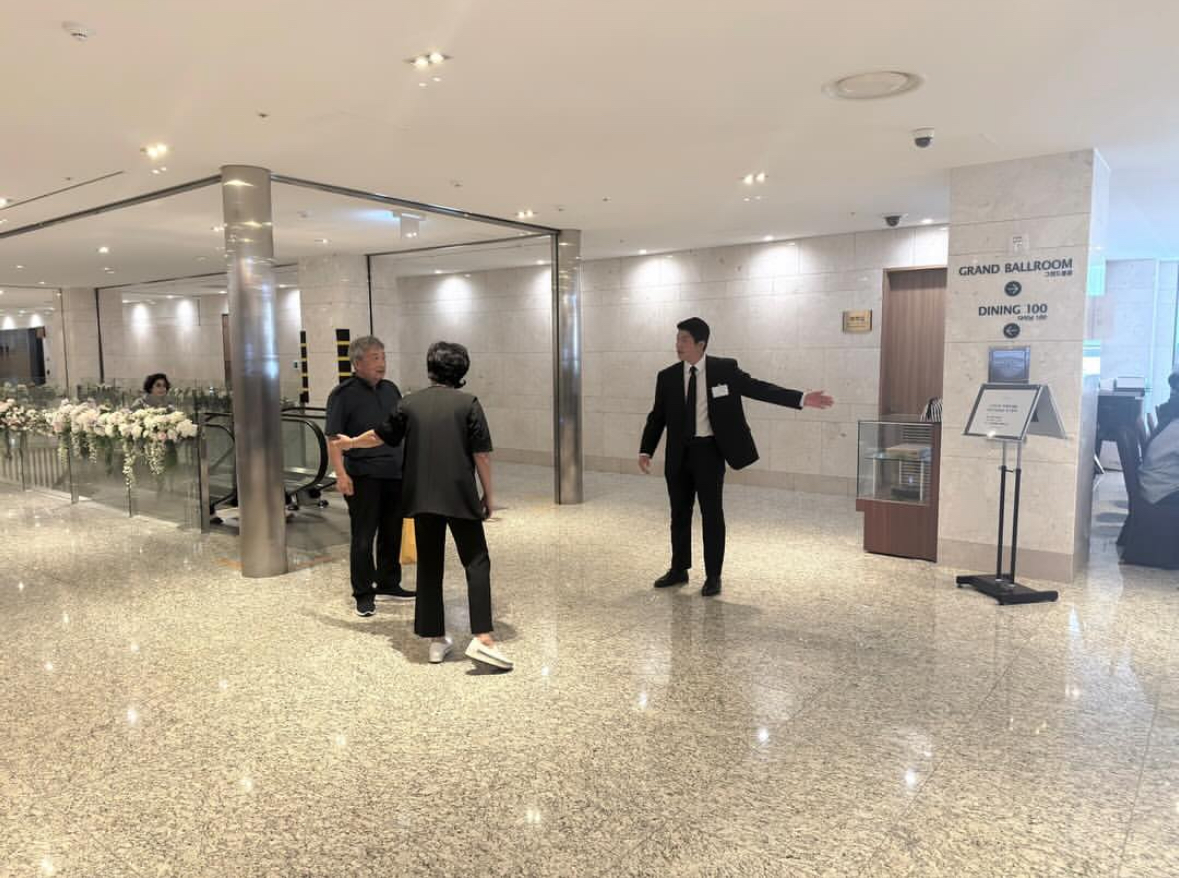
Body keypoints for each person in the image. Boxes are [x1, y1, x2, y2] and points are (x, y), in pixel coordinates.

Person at [333, 341, 512, 671]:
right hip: (459, 494)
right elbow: (482, 455)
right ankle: (483, 637)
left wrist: (352, 442)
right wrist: (489, 495)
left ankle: (435, 640)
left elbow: (380, 436)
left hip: (421, 497)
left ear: (430, 369)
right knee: (476, 561)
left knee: (430, 565)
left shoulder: (409, 403)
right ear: (462, 371)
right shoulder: (468, 403)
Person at [639, 317, 834, 596]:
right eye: (677, 339)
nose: (678, 344)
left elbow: (758, 388)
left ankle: (713, 576)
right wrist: (646, 449)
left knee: (712, 514)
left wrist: (801, 398)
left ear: (701, 344)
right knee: (679, 513)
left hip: (709, 453)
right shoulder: (667, 376)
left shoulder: (724, 369)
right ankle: (679, 569)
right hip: (678, 456)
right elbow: (657, 416)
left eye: (684, 339)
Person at [326, 336, 414, 617]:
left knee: (392, 531)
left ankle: (389, 582)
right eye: (375, 358)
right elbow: (334, 439)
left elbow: (402, 429)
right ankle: (363, 593)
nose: (382, 363)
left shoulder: (391, 389)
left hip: (394, 473)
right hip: (363, 475)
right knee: (363, 536)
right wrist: (341, 474)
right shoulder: (342, 395)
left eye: (383, 357)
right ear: (358, 362)